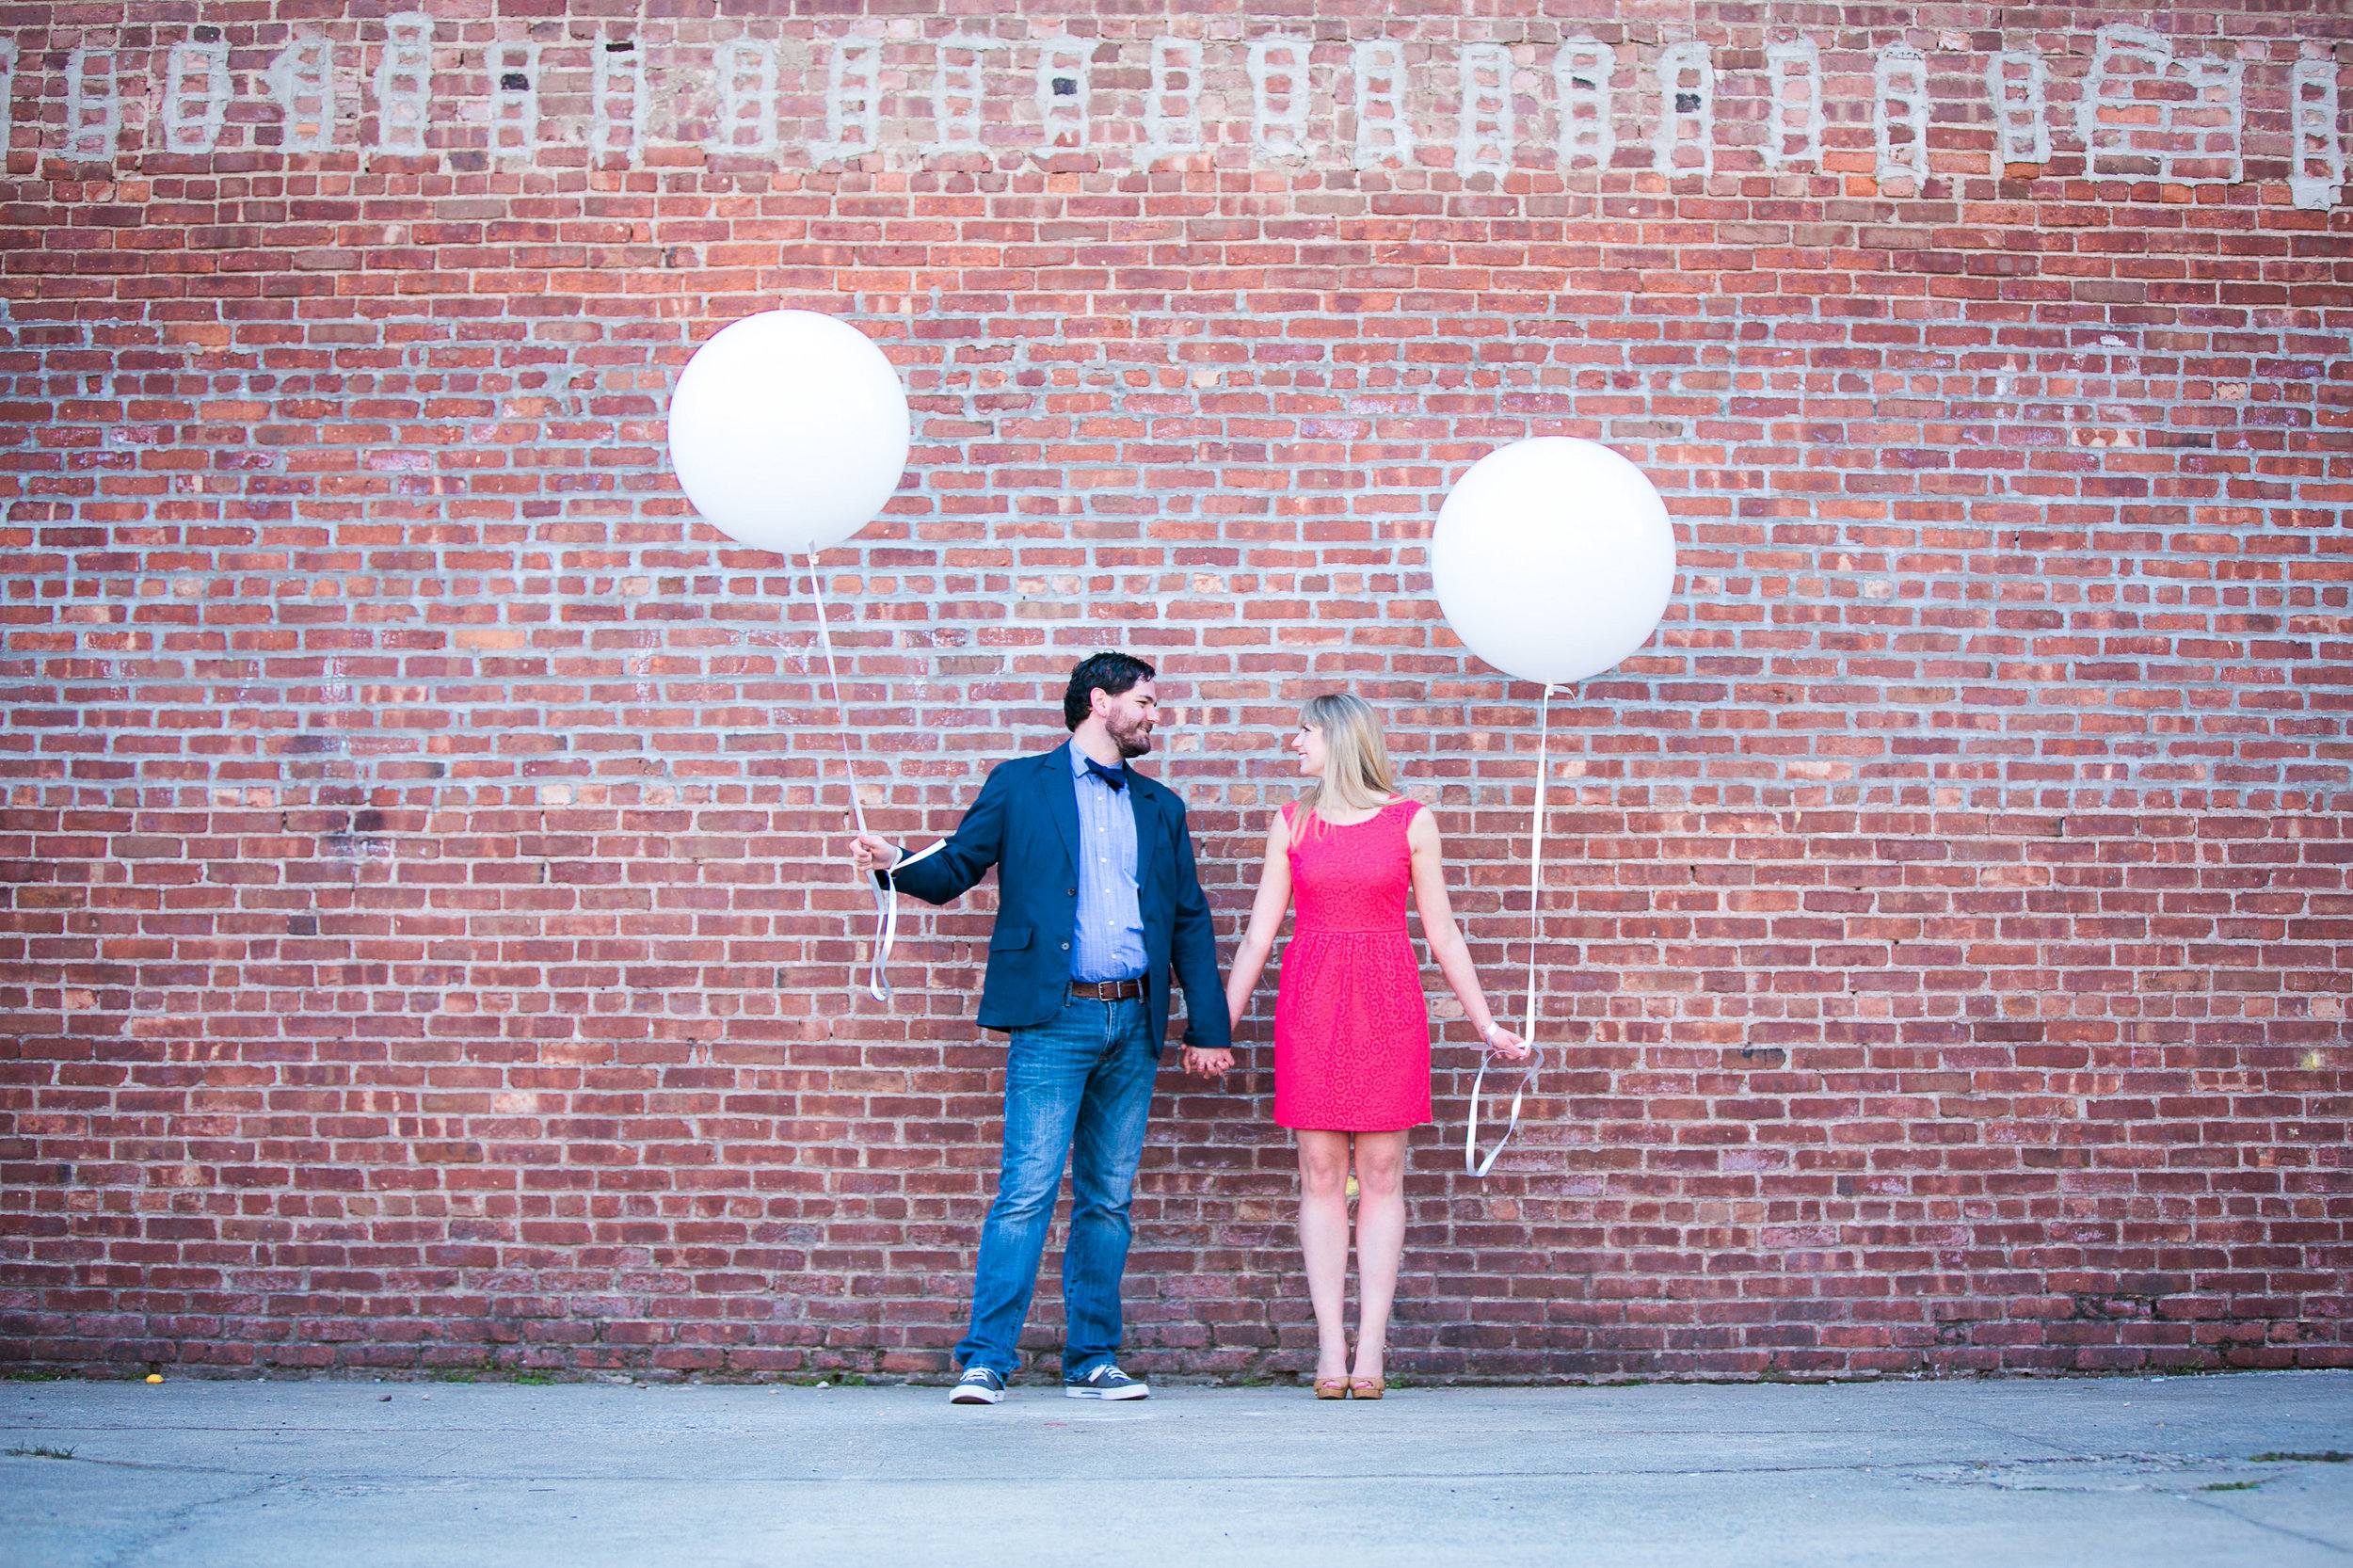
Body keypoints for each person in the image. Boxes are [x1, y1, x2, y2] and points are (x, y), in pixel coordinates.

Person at [850, 652, 1232, 1406]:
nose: (1156, 716)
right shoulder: (1020, 784)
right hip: (1053, 1019)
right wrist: (895, 861)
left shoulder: (1161, 808)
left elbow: (1189, 919)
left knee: (1108, 1198)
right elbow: (956, 868)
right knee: (1026, 1190)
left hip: (1135, 1018)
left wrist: (1205, 1027)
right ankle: (985, 1359)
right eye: (1147, 703)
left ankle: (1092, 1359)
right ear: (1101, 701)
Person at [1223, 693, 1529, 1400]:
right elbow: (1258, 936)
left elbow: (1443, 932)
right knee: (1322, 1173)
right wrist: (1219, 1027)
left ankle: (1372, 1351)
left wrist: (1484, 1023)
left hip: (1388, 1003)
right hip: (1314, 1003)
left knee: (1383, 1173)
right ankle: (1331, 1349)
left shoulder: (1410, 820)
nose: (1293, 744)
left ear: (1337, 737)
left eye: (1303, 733)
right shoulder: (1293, 821)